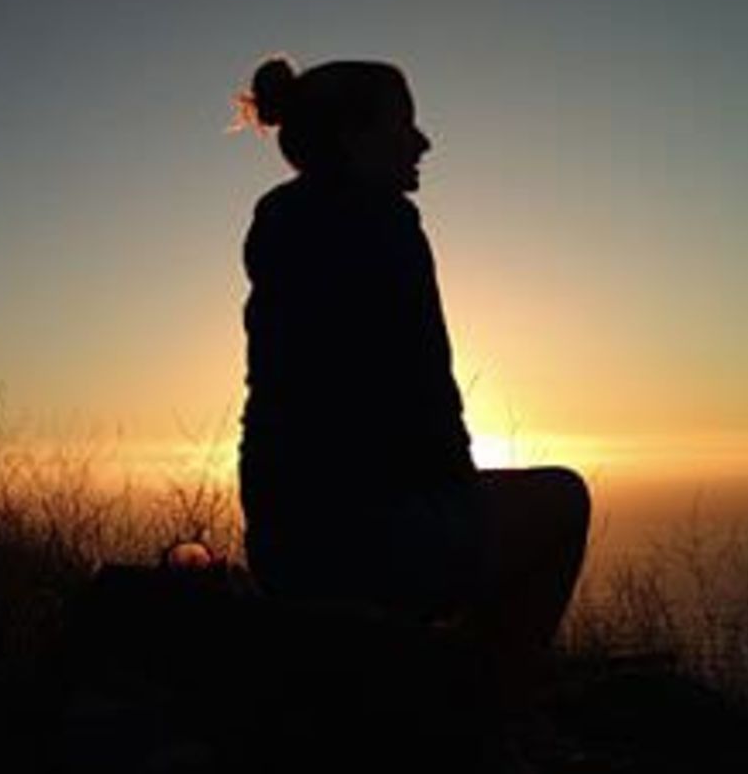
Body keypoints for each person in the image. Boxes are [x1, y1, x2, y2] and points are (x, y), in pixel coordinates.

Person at [234, 57, 590, 750]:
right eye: (405, 124)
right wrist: (460, 512)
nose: (423, 142)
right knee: (563, 499)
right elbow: (428, 400)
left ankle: (419, 686)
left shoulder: (278, 223)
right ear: (355, 138)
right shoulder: (386, 227)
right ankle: (491, 723)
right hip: (361, 547)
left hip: (279, 542)